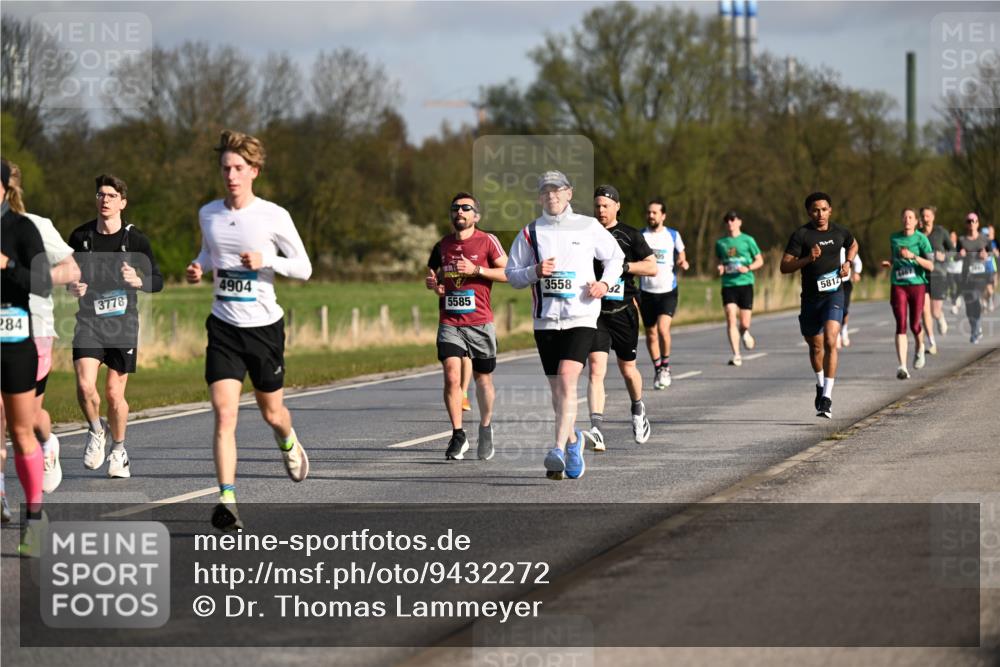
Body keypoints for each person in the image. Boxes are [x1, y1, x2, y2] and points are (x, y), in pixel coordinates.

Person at [187, 130, 313, 531]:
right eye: (226, 168)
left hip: (264, 329)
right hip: (223, 327)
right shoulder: (208, 213)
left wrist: (267, 259)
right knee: (224, 415)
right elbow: (211, 251)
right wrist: (198, 266)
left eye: (239, 168)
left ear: (254, 171)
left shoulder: (274, 216)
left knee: (271, 412)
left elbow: (305, 268)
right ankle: (227, 500)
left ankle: (288, 442)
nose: (232, 175)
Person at [505, 171, 623, 480]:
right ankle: (574, 441)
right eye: (546, 191)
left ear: (568, 193)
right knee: (558, 392)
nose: (551, 196)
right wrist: (534, 271)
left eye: (557, 190)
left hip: (581, 317)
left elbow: (616, 257)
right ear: (540, 197)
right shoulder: (531, 232)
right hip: (545, 322)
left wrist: (604, 284)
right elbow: (512, 274)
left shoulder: (587, 226)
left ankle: (556, 449)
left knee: (569, 380)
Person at [68, 174, 163, 478]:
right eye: (100, 195)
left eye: (111, 195)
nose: (104, 200)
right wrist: (73, 286)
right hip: (89, 322)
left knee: (112, 394)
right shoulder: (80, 237)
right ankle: (97, 430)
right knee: (84, 386)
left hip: (122, 325)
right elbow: (69, 275)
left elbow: (157, 281)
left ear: (123, 202)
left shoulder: (135, 240)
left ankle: (119, 450)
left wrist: (139, 280)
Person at [1, 161, 80, 495]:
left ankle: (47, 442)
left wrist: (36, 277)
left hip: (35, 328)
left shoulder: (35, 226)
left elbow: (71, 268)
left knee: (29, 418)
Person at [425, 192, 508, 461]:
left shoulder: (487, 241)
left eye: (465, 208)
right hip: (450, 321)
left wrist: (477, 270)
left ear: (476, 216)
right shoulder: (442, 245)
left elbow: (509, 273)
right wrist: (435, 286)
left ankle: (485, 428)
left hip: (480, 322)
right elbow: (436, 277)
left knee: (483, 380)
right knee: (451, 375)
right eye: (455, 208)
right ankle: (458, 434)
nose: (459, 212)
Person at [1, 157, 53, 555]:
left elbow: (43, 282)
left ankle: (34, 517)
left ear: (5, 188)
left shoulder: (21, 228)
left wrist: (8, 265)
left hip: (16, 341)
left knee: (21, 432)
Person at [582, 185, 656, 451]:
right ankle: (597, 429)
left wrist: (624, 267)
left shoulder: (630, 235)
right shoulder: (585, 234)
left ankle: (638, 410)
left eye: (605, 205)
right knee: (596, 370)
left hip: (623, 310)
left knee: (627, 369)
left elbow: (652, 266)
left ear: (617, 206)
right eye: (597, 205)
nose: (601, 210)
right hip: (595, 312)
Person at [780, 192, 858, 419]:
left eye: (824, 209)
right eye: (815, 210)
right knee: (815, 347)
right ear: (809, 212)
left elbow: (854, 245)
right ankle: (820, 383)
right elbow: (784, 267)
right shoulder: (801, 235)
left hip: (834, 294)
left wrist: (848, 262)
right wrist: (807, 259)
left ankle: (827, 397)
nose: (820, 214)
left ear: (830, 210)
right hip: (811, 299)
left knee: (831, 340)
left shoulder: (840, 232)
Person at [639, 198, 689, 389]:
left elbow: (682, 254)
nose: (651, 215)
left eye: (654, 213)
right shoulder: (641, 235)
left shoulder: (673, 235)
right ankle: (658, 368)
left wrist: (682, 262)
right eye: (649, 212)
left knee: (662, 329)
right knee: (650, 333)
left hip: (667, 290)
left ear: (663, 215)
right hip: (646, 291)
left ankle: (666, 367)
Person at [881, 209, 933, 379]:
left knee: (915, 325)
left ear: (917, 221)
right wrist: (889, 262)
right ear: (901, 220)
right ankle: (902, 366)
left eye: (911, 217)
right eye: (904, 217)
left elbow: (931, 266)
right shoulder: (894, 238)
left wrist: (913, 256)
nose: (907, 220)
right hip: (898, 285)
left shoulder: (921, 239)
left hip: (917, 285)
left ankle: (920, 347)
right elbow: (895, 257)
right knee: (901, 324)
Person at [715, 210, 764, 366]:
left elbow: (760, 261)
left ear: (739, 222)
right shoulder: (720, 243)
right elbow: (720, 261)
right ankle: (736, 354)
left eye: (732, 219)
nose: (729, 222)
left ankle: (745, 332)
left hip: (745, 283)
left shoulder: (748, 240)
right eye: (727, 220)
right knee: (730, 317)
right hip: (728, 284)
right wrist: (720, 268)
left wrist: (748, 267)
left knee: (744, 323)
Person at [918, 206, 953, 353]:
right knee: (924, 311)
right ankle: (932, 344)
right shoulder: (917, 234)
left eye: (928, 216)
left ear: (933, 217)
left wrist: (945, 256)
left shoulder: (941, 232)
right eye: (923, 216)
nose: (925, 219)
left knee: (935, 312)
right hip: (923, 275)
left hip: (939, 274)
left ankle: (940, 317)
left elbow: (952, 250)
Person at [956, 212, 991, 343]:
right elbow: (954, 257)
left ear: (978, 223)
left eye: (974, 221)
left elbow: (992, 256)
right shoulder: (961, 240)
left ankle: (976, 329)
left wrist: (986, 256)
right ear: (966, 224)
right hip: (966, 276)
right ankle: (975, 327)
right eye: (969, 221)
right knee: (969, 305)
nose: (972, 223)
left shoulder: (984, 240)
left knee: (975, 299)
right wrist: (960, 255)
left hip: (980, 276)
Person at [837, 249, 863, 348]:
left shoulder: (846, 248)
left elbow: (857, 262)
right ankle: (836, 335)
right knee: (834, 308)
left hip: (845, 283)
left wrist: (856, 273)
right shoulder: (826, 246)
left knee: (844, 309)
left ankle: (844, 330)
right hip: (831, 284)